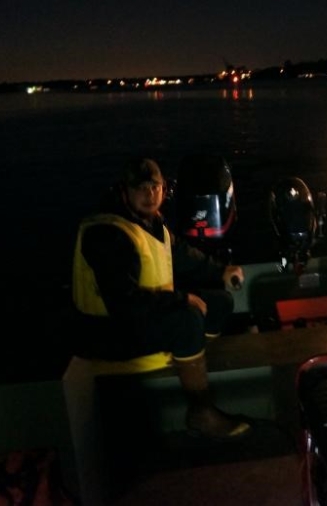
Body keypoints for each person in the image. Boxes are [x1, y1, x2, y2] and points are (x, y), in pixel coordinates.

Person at [71, 156, 250, 440]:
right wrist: (181, 300)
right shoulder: (108, 233)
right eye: (140, 187)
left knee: (220, 302)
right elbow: (122, 303)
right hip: (108, 333)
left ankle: (192, 368)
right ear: (125, 191)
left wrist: (222, 271)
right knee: (188, 319)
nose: (149, 194)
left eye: (154, 186)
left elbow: (184, 257)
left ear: (164, 188)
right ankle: (200, 412)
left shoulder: (152, 224)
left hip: (142, 318)